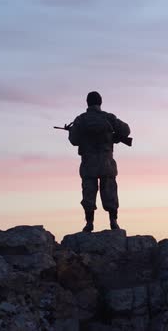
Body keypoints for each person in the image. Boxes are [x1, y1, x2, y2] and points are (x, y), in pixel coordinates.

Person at [68, 91, 131, 232]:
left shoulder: (80, 120)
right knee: (110, 192)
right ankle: (113, 221)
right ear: (100, 102)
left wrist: (71, 132)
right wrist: (114, 136)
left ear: (87, 102)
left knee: (88, 194)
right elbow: (126, 130)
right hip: (106, 163)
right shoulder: (108, 117)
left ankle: (89, 223)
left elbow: (74, 141)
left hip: (88, 163)